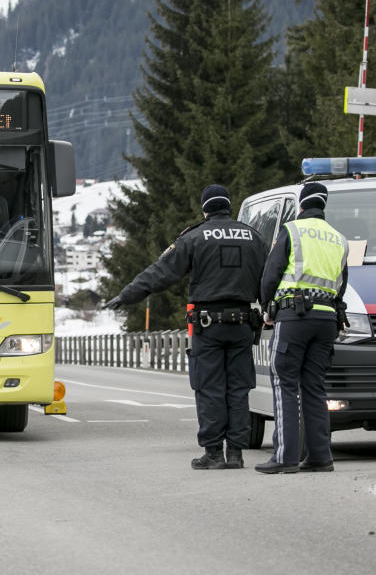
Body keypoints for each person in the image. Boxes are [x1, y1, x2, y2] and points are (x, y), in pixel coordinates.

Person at [103, 185, 267, 469]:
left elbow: (161, 272)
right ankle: (236, 454)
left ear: (206, 209)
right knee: (238, 389)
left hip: (209, 326)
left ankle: (214, 453)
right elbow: (270, 278)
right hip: (243, 324)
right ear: (228, 206)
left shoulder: (194, 237)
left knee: (210, 387)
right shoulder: (253, 237)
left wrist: (127, 295)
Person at [255, 182, 348, 474]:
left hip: (294, 316)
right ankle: (320, 456)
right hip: (326, 319)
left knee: (284, 382)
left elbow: (271, 274)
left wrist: (267, 306)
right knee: (314, 386)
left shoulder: (292, 230)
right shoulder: (339, 239)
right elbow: (342, 283)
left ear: (302, 205)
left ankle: (285, 456)